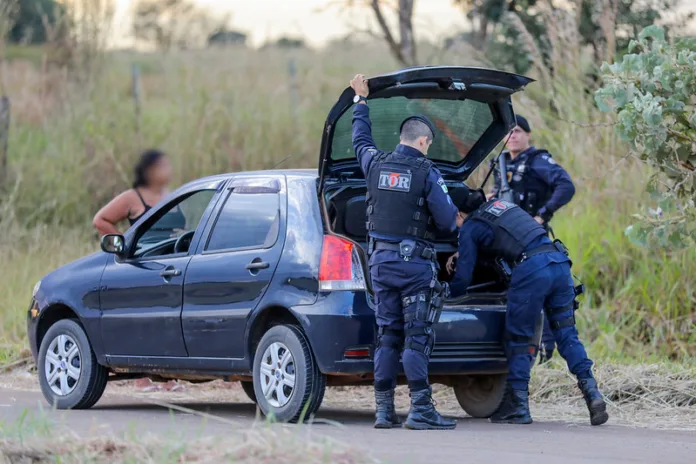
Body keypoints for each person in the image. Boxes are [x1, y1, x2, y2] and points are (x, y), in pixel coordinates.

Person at [446, 185, 608, 426]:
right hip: (559, 263)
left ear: (459, 214)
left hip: (532, 270)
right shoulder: (503, 207)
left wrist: (445, 294)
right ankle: (593, 394)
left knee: (519, 338)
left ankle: (518, 407)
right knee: (567, 335)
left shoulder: (470, 226)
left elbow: (463, 279)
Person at [350, 73, 458, 430]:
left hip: (379, 264)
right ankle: (421, 410)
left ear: (401, 138)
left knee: (387, 335)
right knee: (416, 337)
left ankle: (383, 412)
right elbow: (446, 222)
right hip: (414, 269)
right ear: (424, 140)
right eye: (429, 143)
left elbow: (360, 140)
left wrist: (360, 101)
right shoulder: (427, 172)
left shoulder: (375, 163)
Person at [488, 115, 576, 363]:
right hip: (506, 240)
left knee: (542, 292)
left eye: (517, 131)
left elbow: (566, 186)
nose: (512, 136)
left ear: (528, 134)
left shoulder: (538, 161)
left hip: (532, 240)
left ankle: (547, 350)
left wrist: (542, 215)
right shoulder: (500, 163)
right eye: (508, 132)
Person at [92, 149, 185, 241]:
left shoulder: (171, 194)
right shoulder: (132, 197)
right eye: (163, 166)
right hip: (146, 254)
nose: (169, 170)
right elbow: (100, 220)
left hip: (175, 253)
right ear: (150, 171)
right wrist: (124, 244)